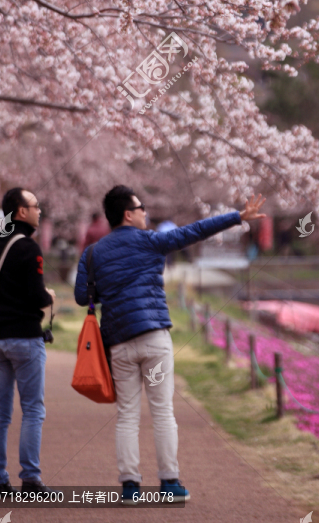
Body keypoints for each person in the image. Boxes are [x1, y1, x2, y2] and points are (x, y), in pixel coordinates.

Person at [74, 185, 266, 504]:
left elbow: (83, 297)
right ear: (128, 213)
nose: (145, 212)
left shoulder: (93, 252)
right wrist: (237, 217)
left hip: (118, 344)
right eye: (141, 207)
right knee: (162, 411)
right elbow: (194, 232)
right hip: (153, 340)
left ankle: (130, 487)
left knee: (127, 415)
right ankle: (169, 483)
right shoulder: (152, 241)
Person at [0, 188, 55, 497]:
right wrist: (49, 297)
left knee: (0, 412)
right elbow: (35, 296)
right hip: (25, 338)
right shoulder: (29, 249)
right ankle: (30, 480)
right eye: (36, 206)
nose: (40, 211)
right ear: (21, 212)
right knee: (33, 410)